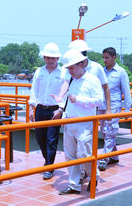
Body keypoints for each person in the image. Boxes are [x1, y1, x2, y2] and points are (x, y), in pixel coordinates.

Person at [57, 49, 104, 195]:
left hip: (85, 123)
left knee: (84, 154)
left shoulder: (92, 80)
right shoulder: (72, 80)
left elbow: (99, 100)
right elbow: (68, 100)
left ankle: (93, 176)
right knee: (70, 155)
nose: (69, 71)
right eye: (68, 68)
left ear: (80, 65)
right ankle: (74, 185)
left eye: (71, 67)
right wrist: (64, 114)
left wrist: (79, 100)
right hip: (70, 121)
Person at [28, 43, 65, 180]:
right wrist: (32, 107)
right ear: (44, 57)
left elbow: (65, 93)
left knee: (51, 139)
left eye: (53, 58)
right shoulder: (39, 72)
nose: (51, 60)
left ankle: (49, 166)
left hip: (54, 110)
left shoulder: (63, 73)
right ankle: (48, 160)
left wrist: (61, 109)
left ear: (57, 59)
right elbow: (34, 89)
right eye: (48, 57)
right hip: (40, 109)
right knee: (39, 138)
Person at [99, 47, 131, 171]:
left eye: (107, 58)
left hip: (114, 107)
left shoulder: (120, 72)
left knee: (110, 132)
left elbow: (126, 91)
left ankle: (104, 158)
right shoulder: (102, 72)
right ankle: (114, 156)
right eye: (103, 58)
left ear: (114, 58)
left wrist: (127, 109)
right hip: (102, 106)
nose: (104, 60)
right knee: (105, 131)